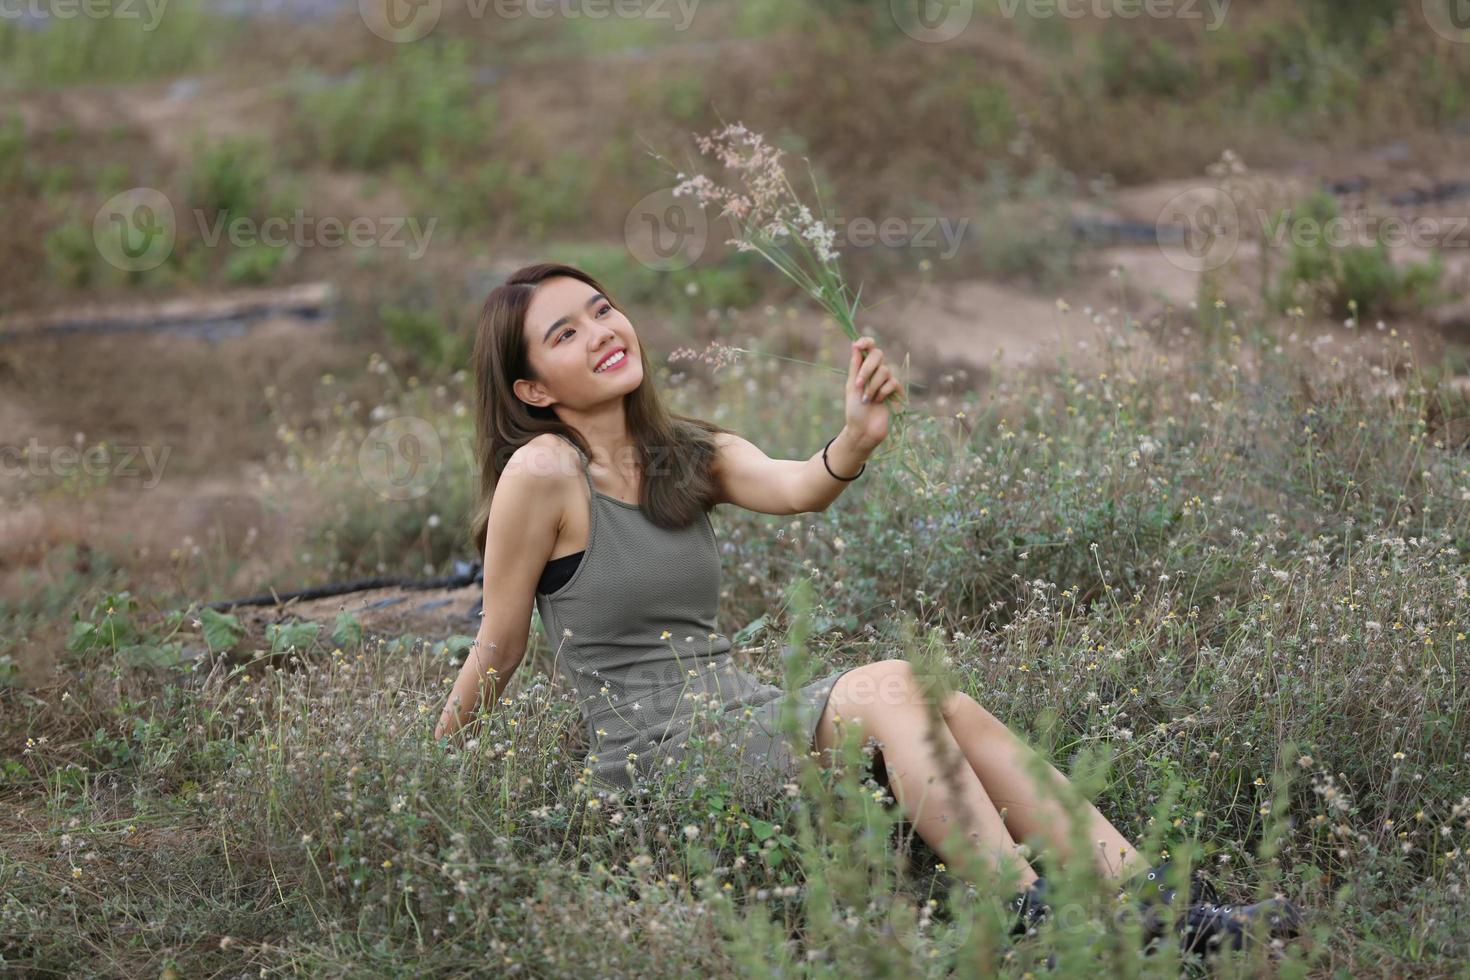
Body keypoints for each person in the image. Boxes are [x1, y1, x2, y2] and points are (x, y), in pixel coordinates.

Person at [432, 262, 1302, 955]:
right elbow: (500, 645)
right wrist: (436, 776)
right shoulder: (541, 472)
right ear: (534, 389)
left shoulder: (681, 451)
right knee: (889, 685)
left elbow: (799, 485)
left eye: (601, 309)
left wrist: (855, 437)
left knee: (938, 697)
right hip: (658, 760)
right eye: (564, 333)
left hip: (738, 716)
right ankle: (1031, 915)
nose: (601, 332)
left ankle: (1165, 913)